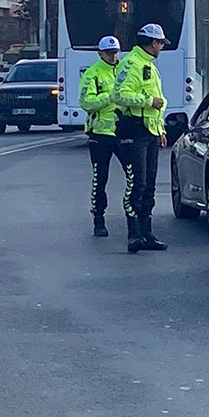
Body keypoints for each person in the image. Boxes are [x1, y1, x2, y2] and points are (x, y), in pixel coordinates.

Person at [111, 24, 171, 253]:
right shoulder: (132, 63)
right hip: (133, 130)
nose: (162, 48)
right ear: (153, 43)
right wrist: (148, 102)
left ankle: (147, 233)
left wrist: (161, 129)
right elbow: (120, 94)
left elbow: (159, 102)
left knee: (149, 186)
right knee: (137, 183)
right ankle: (133, 234)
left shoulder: (149, 65)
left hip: (150, 131)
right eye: (161, 43)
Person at [80, 36, 124, 237]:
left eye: (115, 52)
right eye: (109, 52)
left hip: (123, 132)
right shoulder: (92, 74)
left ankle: (135, 221)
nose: (113, 56)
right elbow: (85, 102)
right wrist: (110, 96)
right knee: (100, 179)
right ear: (100, 53)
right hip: (100, 134)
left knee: (134, 177)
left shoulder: (124, 70)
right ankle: (98, 219)